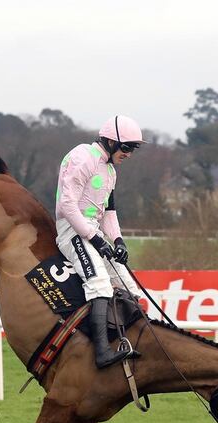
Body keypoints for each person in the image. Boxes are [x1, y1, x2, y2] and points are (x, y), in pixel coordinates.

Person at [54, 115, 146, 368]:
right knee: (99, 284)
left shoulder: (109, 171)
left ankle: (122, 342)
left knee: (130, 288)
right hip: (71, 230)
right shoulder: (83, 156)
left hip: (93, 231)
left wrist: (118, 240)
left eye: (132, 149)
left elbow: (109, 213)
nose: (128, 154)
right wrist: (94, 237)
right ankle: (101, 352)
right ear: (109, 141)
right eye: (126, 147)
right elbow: (67, 205)